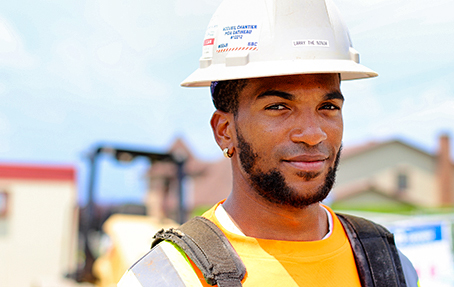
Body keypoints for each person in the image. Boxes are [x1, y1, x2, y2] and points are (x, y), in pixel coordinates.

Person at [119, 0, 419, 286]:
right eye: (278, 107)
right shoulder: (170, 277)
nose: (313, 134)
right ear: (225, 130)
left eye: (328, 107)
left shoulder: (389, 267)